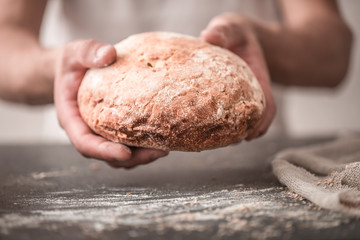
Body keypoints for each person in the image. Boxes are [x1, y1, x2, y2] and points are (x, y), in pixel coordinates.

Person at [0, 0, 352, 168]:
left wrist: (258, 39)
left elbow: (333, 53)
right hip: (79, 174)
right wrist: (59, 69)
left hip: (250, 169)